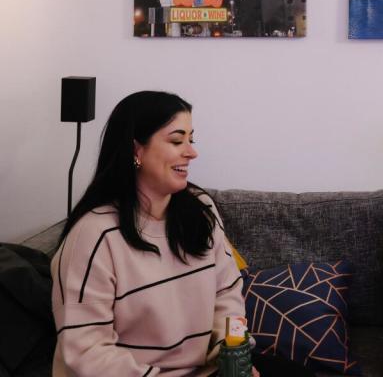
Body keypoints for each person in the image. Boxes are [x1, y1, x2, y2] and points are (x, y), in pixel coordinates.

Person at [51, 91, 258, 377]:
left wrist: (232, 357)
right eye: (176, 140)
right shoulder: (94, 235)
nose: (191, 152)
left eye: (191, 139)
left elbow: (227, 293)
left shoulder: (201, 210)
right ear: (136, 150)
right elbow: (87, 351)